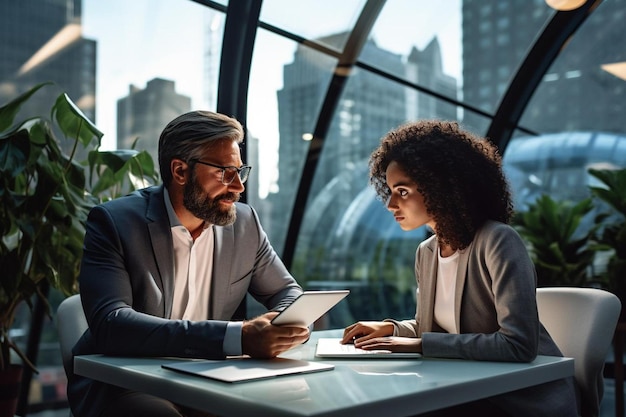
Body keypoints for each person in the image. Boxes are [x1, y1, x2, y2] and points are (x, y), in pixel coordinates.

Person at [67, 110, 310, 417]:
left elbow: (288, 292)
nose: (238, 187)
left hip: (211, 377)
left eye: (240, 171)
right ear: (180, 171)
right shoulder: (115, 222)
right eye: (225, 172)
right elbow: (111, 324)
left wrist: (278, 324)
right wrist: (237, 336)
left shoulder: (244, 224)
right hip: (127, 380)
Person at [341, 120, 578, 417]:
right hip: (466, 391)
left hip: (518, 399)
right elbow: (436, 326)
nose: (390, 204)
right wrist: (392, 328)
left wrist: (417, 346)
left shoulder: (498, 241)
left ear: (440, 187)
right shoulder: (426, 252)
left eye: (402, 191)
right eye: (388, 191)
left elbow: (518, 345)